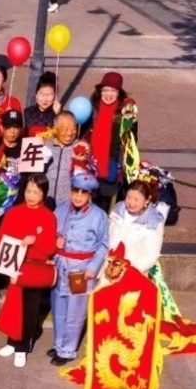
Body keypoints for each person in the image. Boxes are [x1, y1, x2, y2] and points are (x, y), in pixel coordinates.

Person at [0, 174, 57, 368]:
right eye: (28, 191)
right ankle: (12, 341)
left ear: (43, 194)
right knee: (13, 306)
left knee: (30, 310)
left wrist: (35, 240)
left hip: (34, 268)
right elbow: (1, 238)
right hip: (13, 265)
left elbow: (50, 247)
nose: (31, 195)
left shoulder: (48, 216)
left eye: (36, 192)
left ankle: (22, 347)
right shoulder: (13, 212)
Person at [50, 171, 108, 367]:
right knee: (58, 307)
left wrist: (93, 267)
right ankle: (59, 344)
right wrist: (54, 242)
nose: (78, 196)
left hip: (81, 270)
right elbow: (50, 231)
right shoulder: (61, 208)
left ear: (90, 195)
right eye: (76, 190)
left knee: (75, 310)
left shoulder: (99, 216)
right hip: (60, 265)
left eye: (84, 192)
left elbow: (103, 244)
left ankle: (68, 350)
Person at [85, 71, 138, 207]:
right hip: (90, 166)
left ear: (119, 93)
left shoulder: (125, 113)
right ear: (100, 91)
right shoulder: (92, 109)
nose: (108, 94)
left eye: (113, 91)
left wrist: (130, 122)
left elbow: (131, 141)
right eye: (105, 90)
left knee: (104, 207)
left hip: (111, 169)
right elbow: (83, 133)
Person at [107, 180, 165, 279]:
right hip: (110, 268)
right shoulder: (118, 210)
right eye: (128, 197)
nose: (131, 203)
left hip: (134, 273)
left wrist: (129, 271)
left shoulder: (153, 221)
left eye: (136, 199)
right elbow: (107, 237)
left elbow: (152, 254)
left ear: (147, 200)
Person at [44, 111, 95, 209]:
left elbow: (87, 180)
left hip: (68, 206)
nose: (70, 133)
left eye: (73, 128)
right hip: (45, 204)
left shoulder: (81, 148)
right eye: (65, 129)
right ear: (55, 127)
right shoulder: (45, 146)